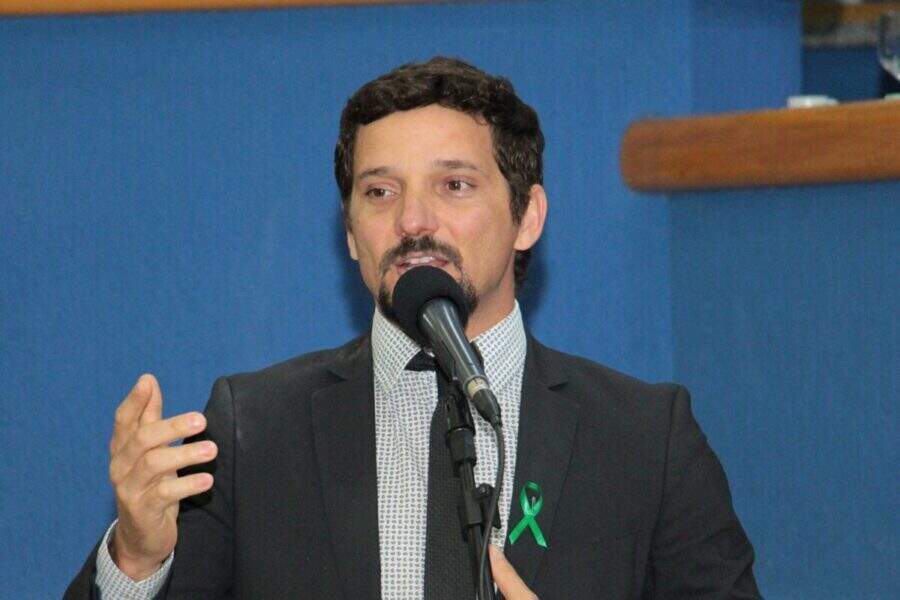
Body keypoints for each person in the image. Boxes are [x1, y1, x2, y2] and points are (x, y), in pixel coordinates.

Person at [66, 57, 760, 599]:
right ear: (350, 234)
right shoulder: (254, 431)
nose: (412, 221)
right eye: (380, 191)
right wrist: (138, 558)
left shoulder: (645, 440)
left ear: (527, 217)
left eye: (454, 185)